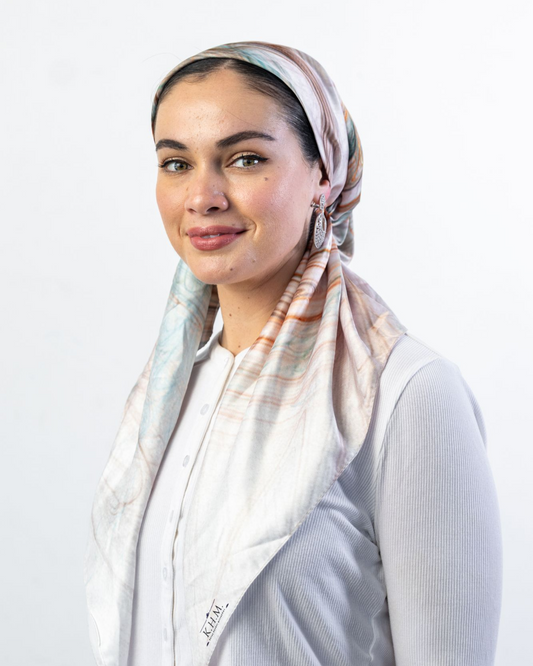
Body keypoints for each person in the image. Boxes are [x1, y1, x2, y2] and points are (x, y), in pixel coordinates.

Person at [84, 42, 503, 666]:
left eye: (246, 159)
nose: (202, 196)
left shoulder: (405, 395)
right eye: (176, 164)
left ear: (323, 175)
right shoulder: (167, 397)